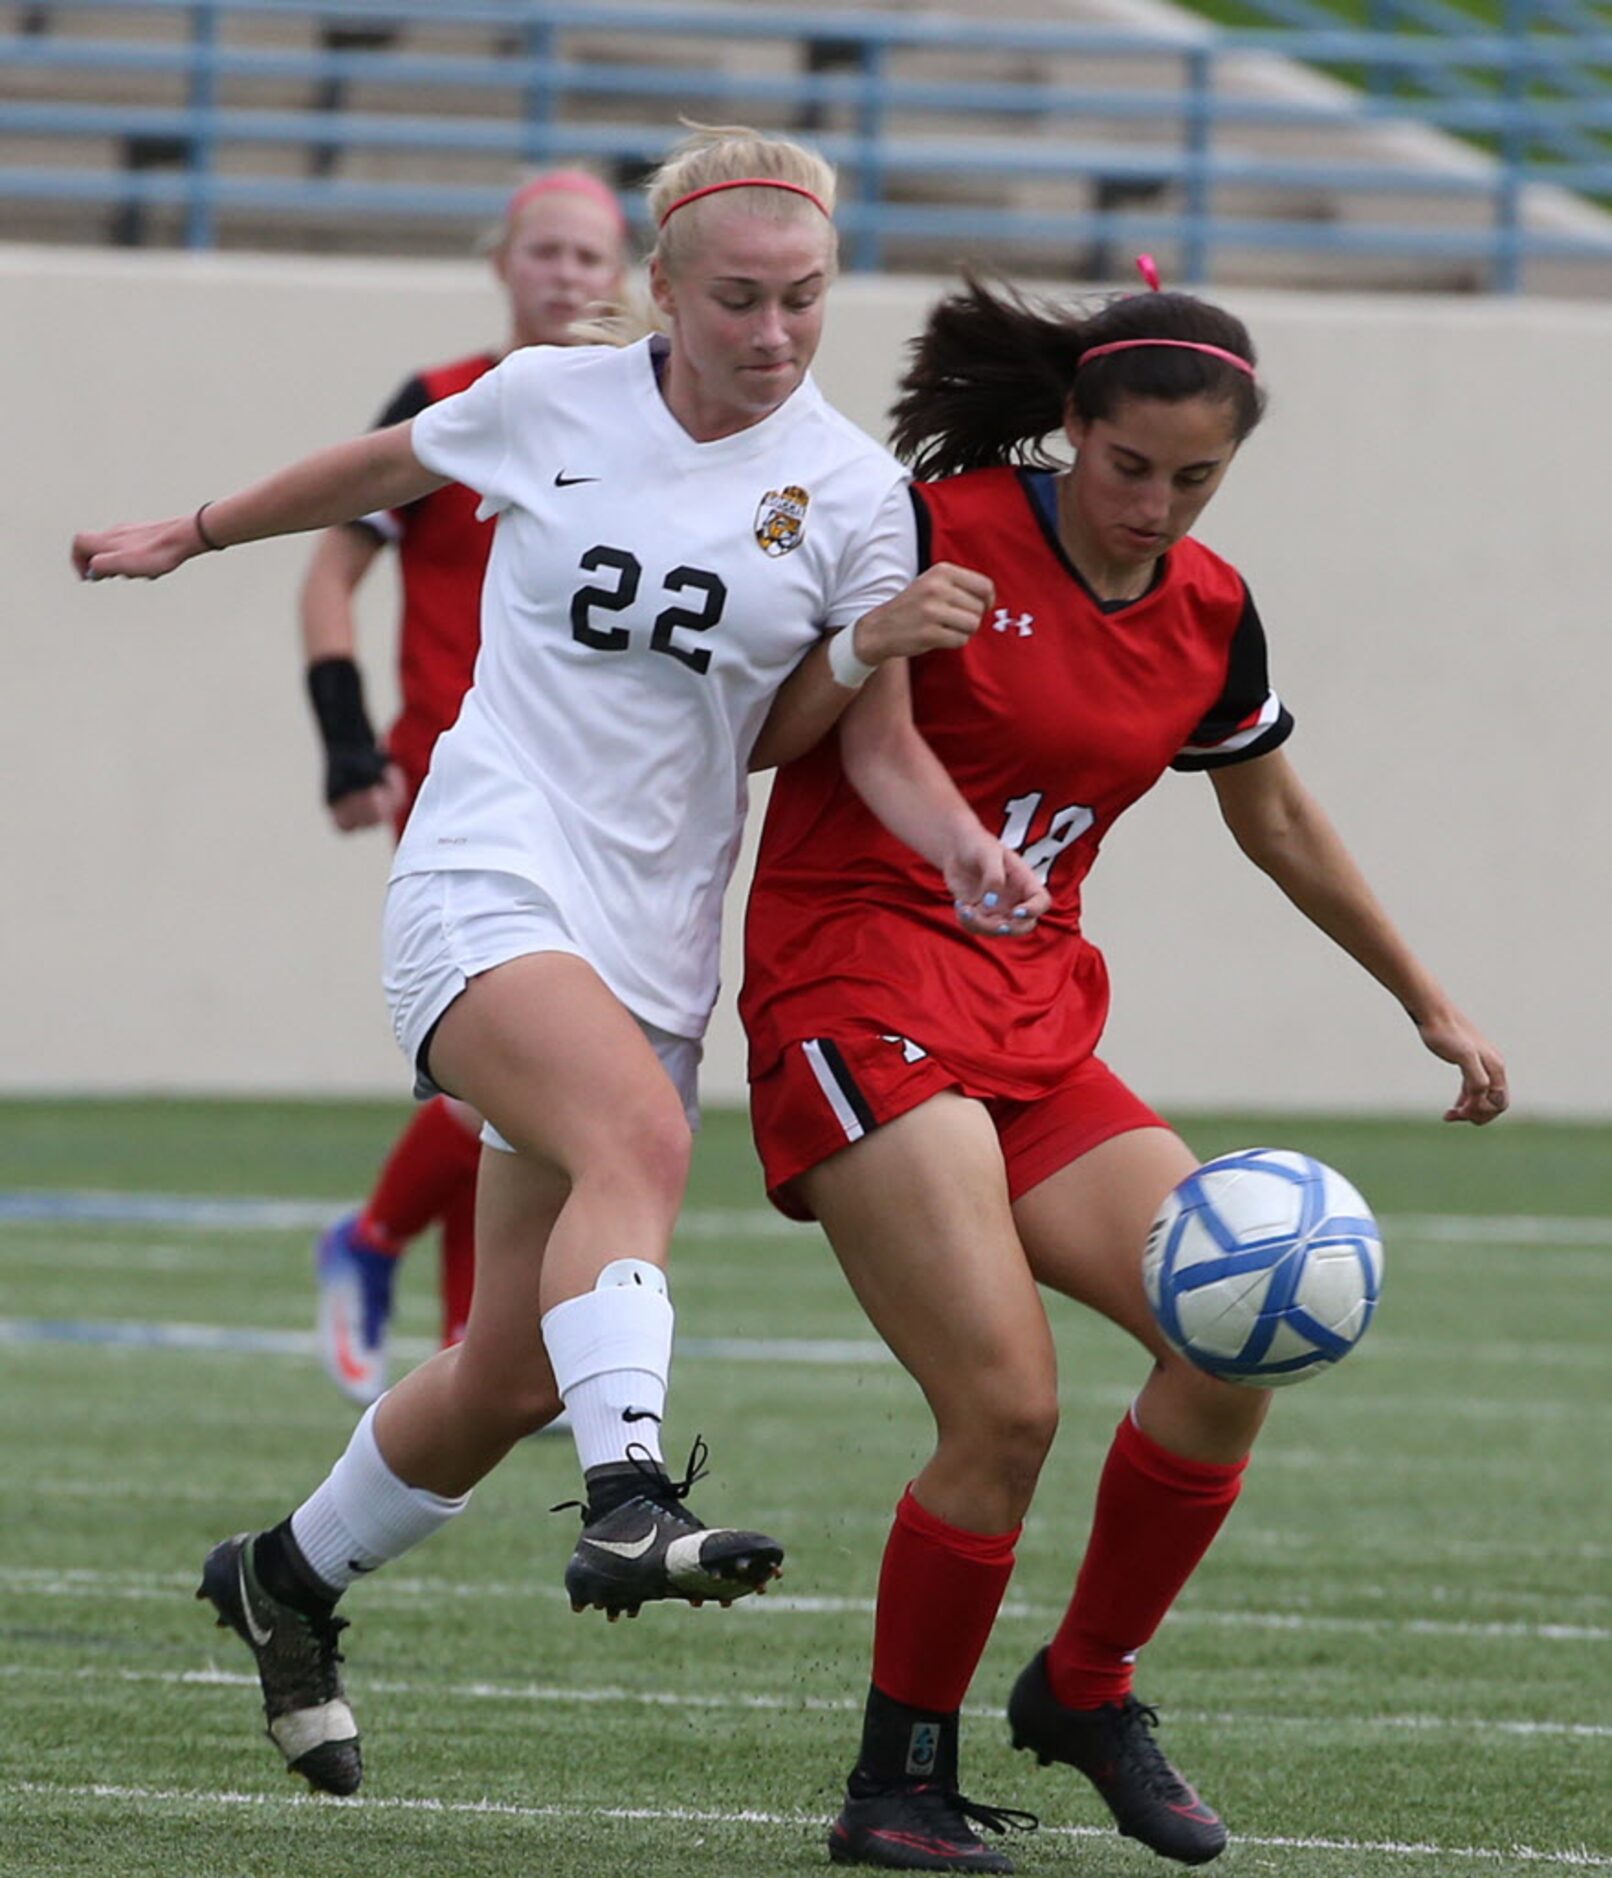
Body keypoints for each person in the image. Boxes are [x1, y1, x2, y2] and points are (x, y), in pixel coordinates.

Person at [72, 127, 1026, 1801]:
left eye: (803, 299)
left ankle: (281, 1578)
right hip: (488, 865)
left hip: (653, 931)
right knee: (639, 1148)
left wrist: (947, 826)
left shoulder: (857, 498)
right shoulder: (545, 399)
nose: (775, 331)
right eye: (738, 298)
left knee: (507, 1366)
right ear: (660, 289)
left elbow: (825, 739)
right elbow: (379, 469)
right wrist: (196, 528)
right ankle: (631, 1500)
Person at [739, 270, 1509, 1871]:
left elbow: (1276, 815)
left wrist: (1426, 999)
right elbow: (773, 736)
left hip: (1032, 1026)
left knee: (1236, 1334)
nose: (1156, 504)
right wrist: (873, 637)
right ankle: (897, 1782)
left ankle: (1084, 1687)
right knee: (1006, 1404)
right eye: (1128, 467)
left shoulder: (1211, 607)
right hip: (856, 993)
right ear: (1068, 428)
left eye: (1195, 479)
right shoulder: (932, 522)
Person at [302, 168, 631, 1406]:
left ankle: (469, 1348)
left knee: (525, 1086)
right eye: (545, 253)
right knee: (518, 1064)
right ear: (502, 262)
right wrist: (347, 742)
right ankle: (376, 1240)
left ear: (627, 276)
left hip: (605, 803)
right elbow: (329, 577)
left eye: (590, 258)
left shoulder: (647, 424)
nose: (567, 277)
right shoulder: (447, 405)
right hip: (466, 788)